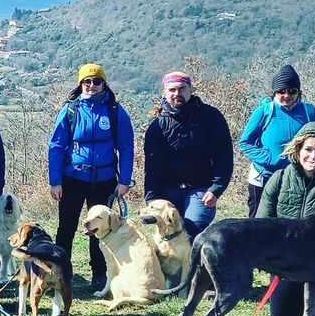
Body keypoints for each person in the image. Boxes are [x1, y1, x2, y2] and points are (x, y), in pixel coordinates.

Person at [47, 63, 134, 295]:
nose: (92, 85)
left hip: (104, 179)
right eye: (87, 81)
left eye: (97, 81)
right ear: (80, 84)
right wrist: (55, 181)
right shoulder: (70, 110)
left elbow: (126, 146)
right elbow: (56, 146)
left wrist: (124, 180)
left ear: (104, 83)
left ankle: (99, 273)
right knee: (66, 227)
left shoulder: (115, 111)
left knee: (101, 228)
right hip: (72, 177)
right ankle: (60, 272)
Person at [256, 123, 315, 316]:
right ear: (297, 150)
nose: (314, 156)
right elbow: (261, 225)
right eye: (308, 150)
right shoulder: (280, 178)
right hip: (286, 261)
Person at [143, 71, 234, 240]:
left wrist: (216, 189)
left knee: (193, 230)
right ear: (164, 92)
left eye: (181, 88)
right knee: (169, 234)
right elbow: (152, 166)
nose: (177, 94)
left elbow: (224, 156)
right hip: (168, 190)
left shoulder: (211, 117)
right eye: (172, 90)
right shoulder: (157, 126)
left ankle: (195, 266)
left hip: (201, 189)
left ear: (191, 89)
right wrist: (152, 197)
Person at [238, 64, 315, 217]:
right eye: (281, 91)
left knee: (290, 224)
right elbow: (244, 143)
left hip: (296, 179)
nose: (287, 95)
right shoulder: (264, 111)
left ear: (299, 92)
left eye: (292, 91)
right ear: (274, 92)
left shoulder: (309, 112)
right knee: (258, 224)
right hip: (263, 176)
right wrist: (267, 158)